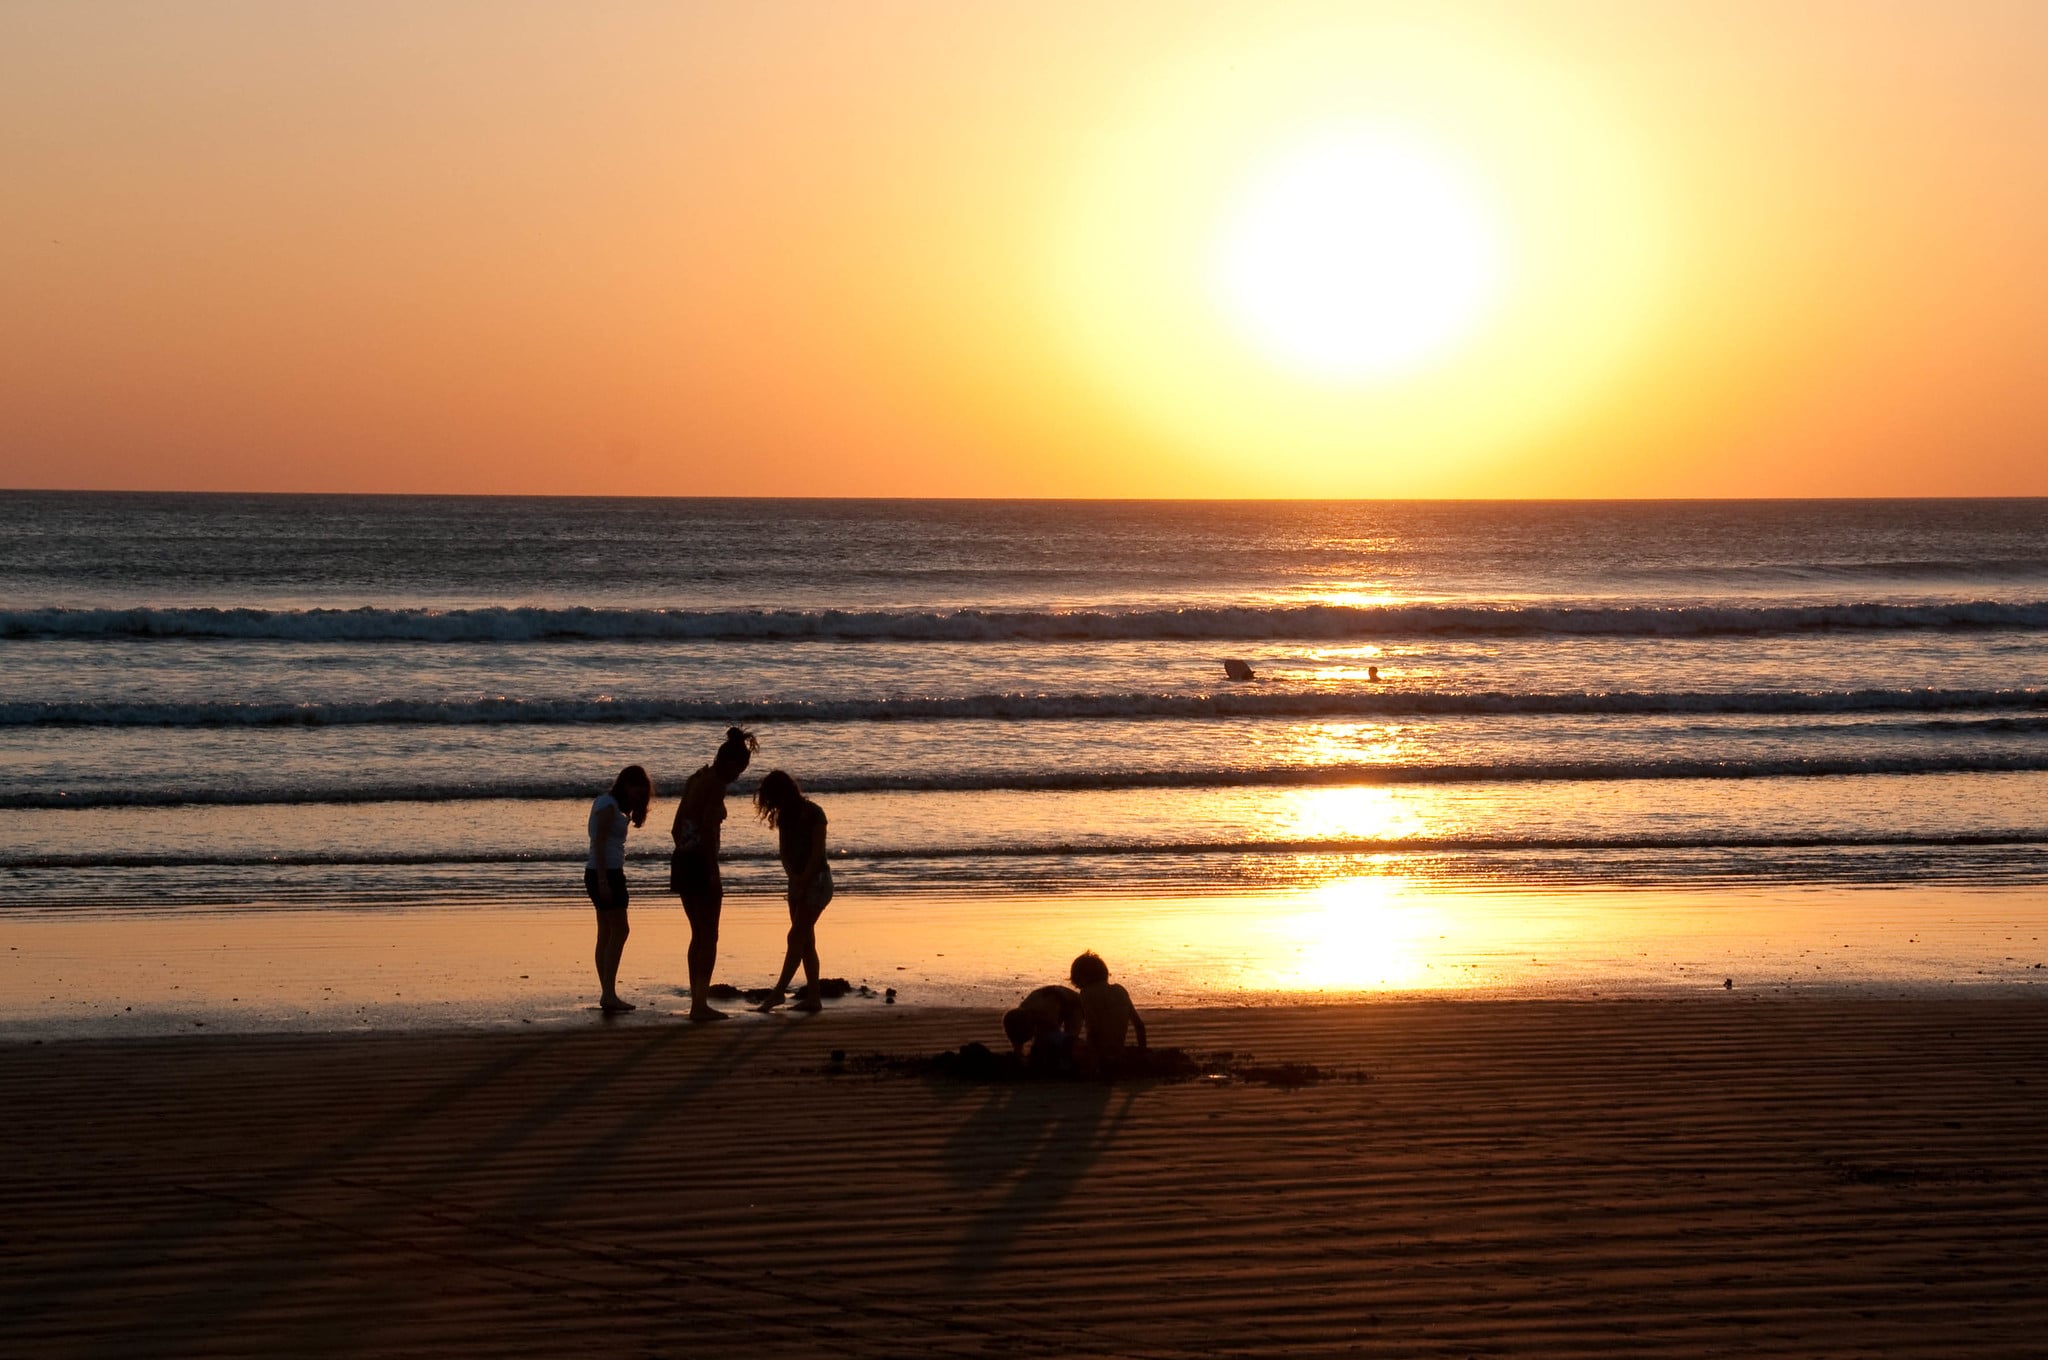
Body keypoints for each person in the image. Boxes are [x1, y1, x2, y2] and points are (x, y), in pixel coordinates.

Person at [671, 726, 756, 1022]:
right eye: (741, 769)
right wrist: (712, 870)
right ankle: (700, 1004)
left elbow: (675, 827)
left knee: (698, 934)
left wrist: (686, 851)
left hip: (681, 859)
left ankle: (698, 1001)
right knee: (709, 936)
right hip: (700, 863)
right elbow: (708, 830)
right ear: (732, 764)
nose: (739, 776)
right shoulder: (715, 785)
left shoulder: (696, 778)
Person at [754, 770, 834, 1013]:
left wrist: (803, 879)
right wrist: (794, 879)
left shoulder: (814, 813)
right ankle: (814, 997)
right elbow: (785, 853)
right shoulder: (784, 816)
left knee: (795, 936)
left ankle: (778, 992)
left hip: (818, 881)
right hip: (796, 882)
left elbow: (817, 852)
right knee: (805, 940)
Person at [586, 764, 653, 1014]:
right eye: (637, 789)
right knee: (620, 930)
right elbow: (599, 842)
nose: (638, 796)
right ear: (625, 784)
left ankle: (607, 992)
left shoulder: (611, 806)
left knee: (606, 932)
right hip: (604, 873)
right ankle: (608, 993)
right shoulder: (607, 805)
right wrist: (603, 881)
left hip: (606, 872)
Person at [1069, 951, 1147, 1070]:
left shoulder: (1087, 993)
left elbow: (1094, 1031)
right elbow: (1139, 1026)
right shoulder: (1120, 990)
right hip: (1118, 1052)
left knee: (1063, 1043)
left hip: (1099, 1057)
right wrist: (1142, 1055)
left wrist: (1094, 1066)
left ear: (1080, 978)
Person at [1002, 984, 1083, 1068]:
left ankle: (1067, 1063)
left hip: (1074, 1004)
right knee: (1043, 1039)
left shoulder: (1046, 1014)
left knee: (1068, 1040)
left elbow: (1056, 1033)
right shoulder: (1023, 1010)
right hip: (1054, 998)